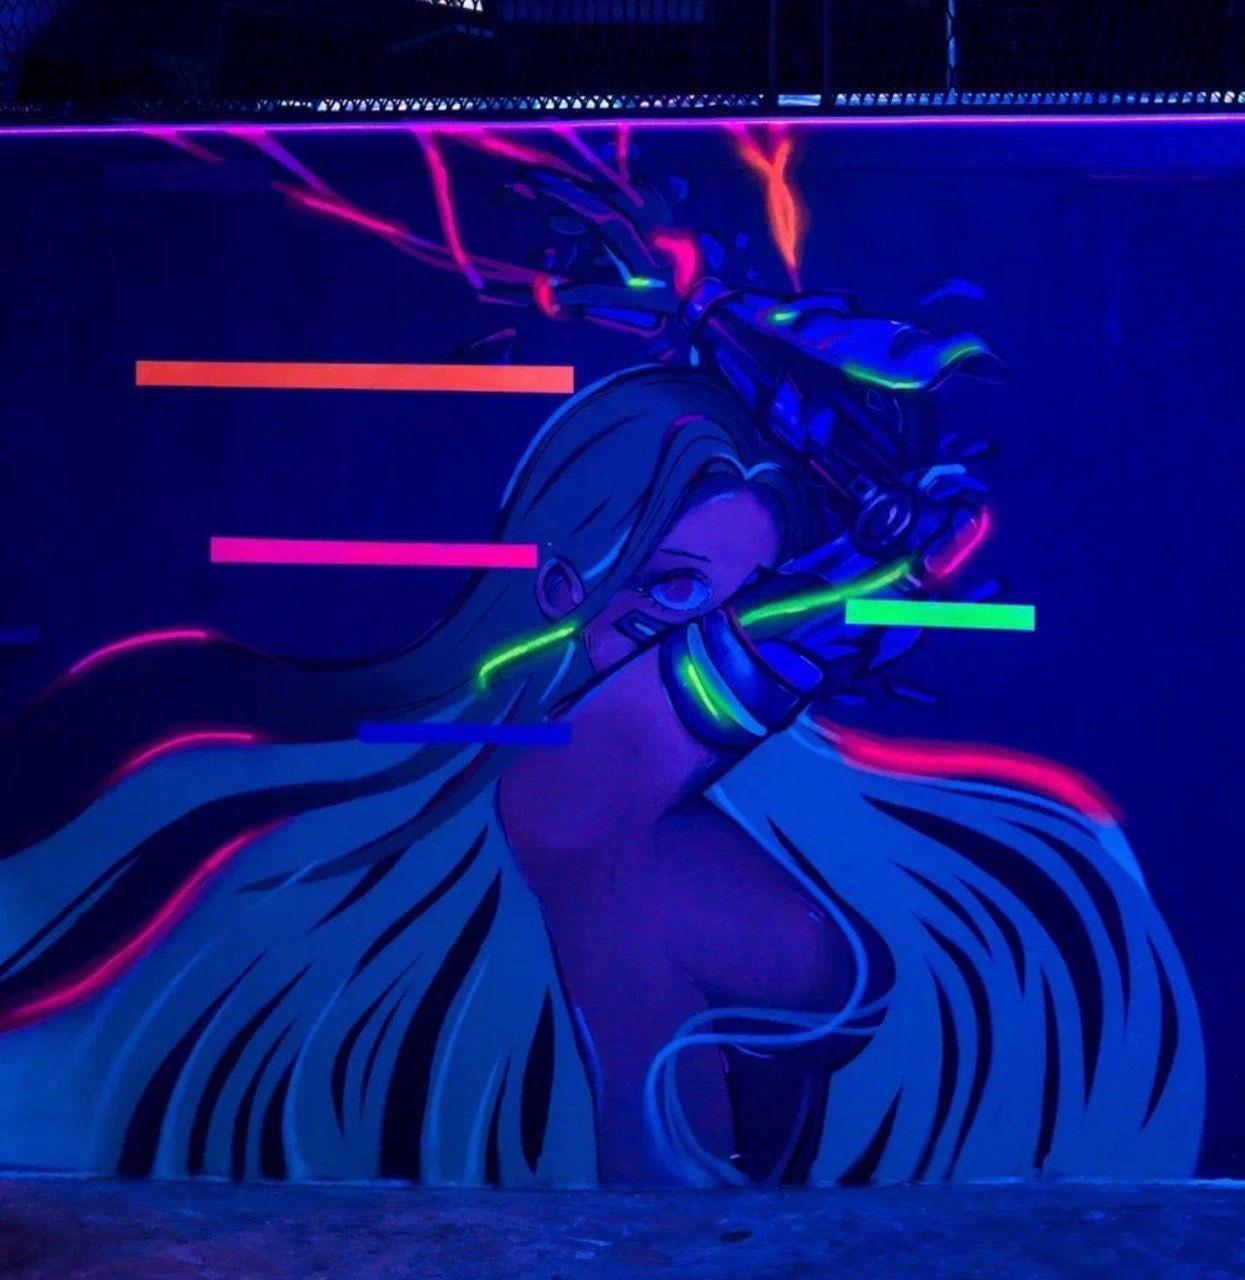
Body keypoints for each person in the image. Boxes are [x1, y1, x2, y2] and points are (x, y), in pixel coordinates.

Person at [0, 359, 1203, 1187]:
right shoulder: (543, 799)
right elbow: (596, 783)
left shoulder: (744, 813)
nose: (705, 641)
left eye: (741, 601)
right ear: (565, 588)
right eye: (673, 591)